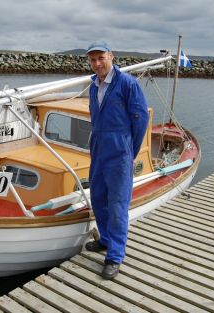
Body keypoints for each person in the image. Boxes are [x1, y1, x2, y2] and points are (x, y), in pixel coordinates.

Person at [85, 42, 149, 279]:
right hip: (99, 149)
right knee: (98, 197)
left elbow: (140, 119)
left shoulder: (127, 84)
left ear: (111, 57)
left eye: (101, 58)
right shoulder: (93, 85)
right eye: (93, 60)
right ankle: (106, 240)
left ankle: (115, 256)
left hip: (120, 151)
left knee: (117, 205)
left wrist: (130, 151)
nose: (97, 64)